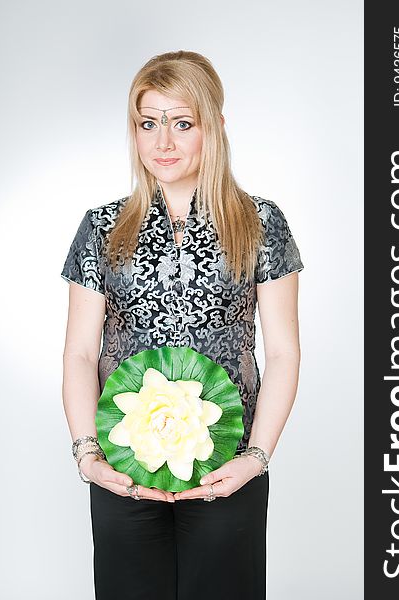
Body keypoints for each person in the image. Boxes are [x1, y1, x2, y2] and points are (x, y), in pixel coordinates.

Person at [61, 50, 304, 600]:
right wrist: (88, 457)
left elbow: (284, 352)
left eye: (181, 122)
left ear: (214, 126)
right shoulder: (102, 226)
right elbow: (79, 353)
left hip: (229, 469)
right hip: (124, 473)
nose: (162, 142)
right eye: (148, 123)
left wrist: (256, 459)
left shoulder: (260, 222)